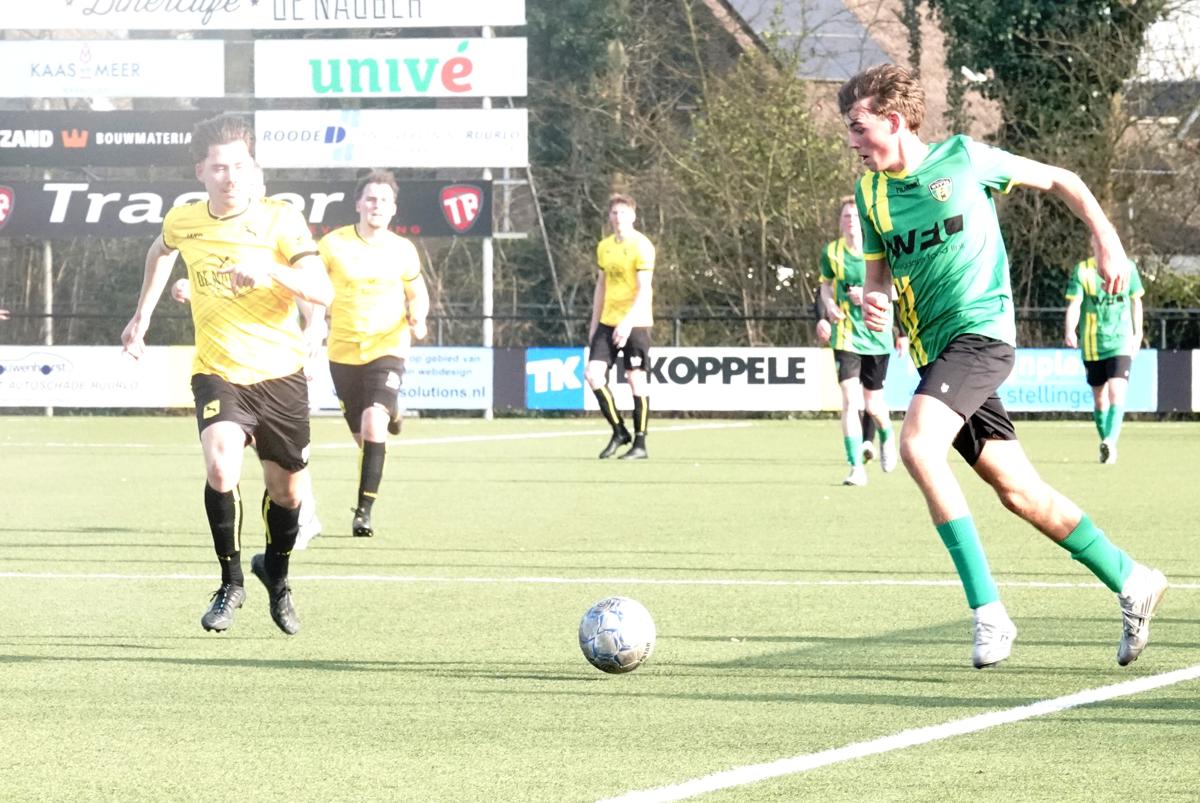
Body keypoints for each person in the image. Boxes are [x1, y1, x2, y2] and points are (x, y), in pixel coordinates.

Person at [839, 64, 1167, 668]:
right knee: (1019, 492)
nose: (852, 140)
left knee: (917, 446)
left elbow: (1064, 179)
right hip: (936, 354)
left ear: (894, 120)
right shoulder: (870, 195)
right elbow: (878, 276)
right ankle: (1131, 578)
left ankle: (988, 612)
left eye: (858, 127)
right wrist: (875, 299)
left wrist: (1107, 239)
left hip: (981, 335)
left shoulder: (964, 158)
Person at [121, 113, 334, 636]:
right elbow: (159, 252)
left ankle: (276, 574)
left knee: (287, 494)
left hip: (281, 376)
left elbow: (322, 290)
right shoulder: (184, 220)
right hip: (218, 372)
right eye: (219, 167)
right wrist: (142, 314)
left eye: (240, 166)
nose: (231, 177)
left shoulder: (281, 219)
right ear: (201, 171)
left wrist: (270, 270)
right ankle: (230, 582)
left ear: (253, 167)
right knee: (221, 468)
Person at [171, 275, 325, 549]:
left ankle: (304, 517)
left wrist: (312, 340)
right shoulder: (219, 257)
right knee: (234, 453)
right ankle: (299, 521)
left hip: (278, 374)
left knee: (285, 459)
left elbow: (313, 302)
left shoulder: (279, 259)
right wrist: (191, 288)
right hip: (232, 376)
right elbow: (222, 297)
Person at [318, 169, 429, 538]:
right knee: (363, 438)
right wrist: (312, 327)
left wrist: (419, 317)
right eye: (370, 198)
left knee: (372, 424)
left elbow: (417, 293)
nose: (376, 205)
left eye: (384, 200)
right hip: (343, 351)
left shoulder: (403, 249)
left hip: (388, 346)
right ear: (358, 204)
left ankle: (363, 512)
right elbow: (313, 289)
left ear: (393, 208)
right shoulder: (332, 245)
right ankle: (392, 410)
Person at [818, 196, 904, 486]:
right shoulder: (831, 252)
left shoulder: (879, 249)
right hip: (846, 335)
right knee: (849, 401)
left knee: (874, 405)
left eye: (855, 217)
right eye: (846, 216)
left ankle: (886, 435)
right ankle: (856, 467)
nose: (851, 221)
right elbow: (825, 286)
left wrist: (870, 295)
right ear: (840, 222)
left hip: (877, 334)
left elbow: (898, 291)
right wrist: (828, 306)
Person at [587, 193, 655, 460]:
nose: (618, 218)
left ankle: (640, 443)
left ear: (633, 216)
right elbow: (601, 286)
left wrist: (627, 322)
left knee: (635, 379)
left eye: (623, 213)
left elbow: (644, 288)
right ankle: (619, 430)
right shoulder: (604, 247)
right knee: (593, 375)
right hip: (608, 320)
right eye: (614, 213)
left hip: (635, 322)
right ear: (609, 216)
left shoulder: (642, 246)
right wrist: (594, 324)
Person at [1063, 255, 1144, 464]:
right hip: (1093, 344)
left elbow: (1136, 300)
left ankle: (1110, 441)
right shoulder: (1083, 270)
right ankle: (1107, 445)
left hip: (1121, 342)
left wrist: (1138, 333)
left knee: (1117, 392)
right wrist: (1070, 330)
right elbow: (1075, 303)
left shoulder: (1128, 268)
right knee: (1100, 399)